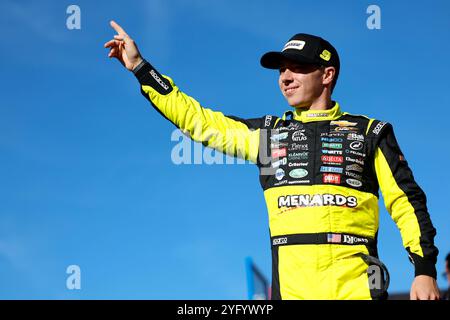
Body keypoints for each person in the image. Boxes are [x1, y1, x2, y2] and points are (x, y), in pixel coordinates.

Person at [104, 20, 440, 300]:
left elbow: (407, 202)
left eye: (298, 68)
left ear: (327, 75)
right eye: (281, 70)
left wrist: (424, 271)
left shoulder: (370, 132)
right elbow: (199, 122)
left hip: (357, 293)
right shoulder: (267, 135)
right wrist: (141, 68)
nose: (285, 77)